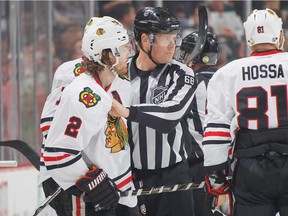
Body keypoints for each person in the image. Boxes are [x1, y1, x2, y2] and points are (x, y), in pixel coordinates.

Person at [42, 16, 138, 215]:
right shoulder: (83, 93)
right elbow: (58, 152)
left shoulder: (120, 83)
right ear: (108, 55)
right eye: (123, 47)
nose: (129, 52)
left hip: (120, 189)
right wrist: (93, 182)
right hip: (92, 196)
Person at [109, 7, 198, 216]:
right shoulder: (118, 74)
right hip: (128, 175)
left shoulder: (181, 73)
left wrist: (127, 111)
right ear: (145, 40)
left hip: (173, 176)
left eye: (174, 38)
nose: (172, 45)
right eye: (165, 38)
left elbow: (171, 114)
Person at [203, 8, 288, 216]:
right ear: (279, 36)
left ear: (249, 39)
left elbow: (217, 132)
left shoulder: (227, 73)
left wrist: (218, 180)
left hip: (251, 171)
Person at [175, 31, 220, 216]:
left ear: (193, 55)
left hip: (196, 164)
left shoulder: (187, 82)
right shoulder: (226, 79)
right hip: (226, 161)